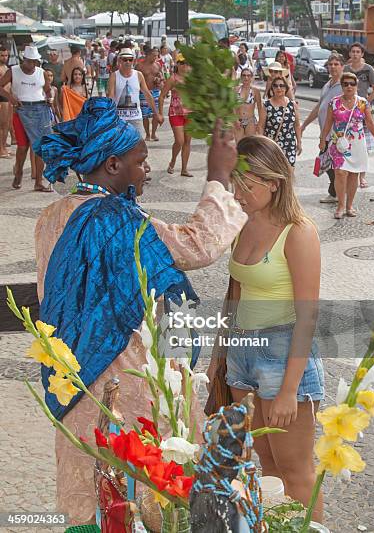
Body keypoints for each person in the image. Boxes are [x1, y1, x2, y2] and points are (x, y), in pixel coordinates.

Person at [34, 97, 247, 525]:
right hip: (123, 381)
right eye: (140, 161)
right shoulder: (115, 220)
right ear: (112, 166)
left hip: (72, 380)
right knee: (140, 494)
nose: (147, 169)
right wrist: (219, 176)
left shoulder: (50, 216)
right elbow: (196, 244)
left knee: (86, 489)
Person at [207, 135, 324, 522]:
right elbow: (234, 296)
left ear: (274, 182)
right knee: (266, 465)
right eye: (234, 182)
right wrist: (219, 359)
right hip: (243, 356)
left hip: (284, 356)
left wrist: (290, 389)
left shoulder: (299, 232)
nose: (237, 193)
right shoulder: (242, 224)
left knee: (298, 472)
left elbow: (308, 316)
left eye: (247, 183)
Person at [319, 72, 374, 219]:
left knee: (354, 175)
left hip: (357, 144)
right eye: (345, 84)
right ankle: (340, 205)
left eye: (352, 84)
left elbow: (370, 122)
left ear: (356, 85)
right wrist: (322, 139)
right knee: (340, 173)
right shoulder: (334, 102)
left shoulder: (362, 103)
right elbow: (328, 122)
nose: (349, 86)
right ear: (341, 86)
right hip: (339, 144)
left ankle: (349, 205)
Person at [0, 45, 53, 191]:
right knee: (22, 147)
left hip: (39, 109)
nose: (32, 64)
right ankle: (18, 173)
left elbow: (48, 90)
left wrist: (51, 98)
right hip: (21, 110)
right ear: (24, 60)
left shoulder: (41, 73)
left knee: (39, 147)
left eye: (34, 61)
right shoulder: (14, 71)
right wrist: (11, 97)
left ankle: (39, 182)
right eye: (29, 61)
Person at [301, 53, 344, 204]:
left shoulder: (345, 86)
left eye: (336, 64)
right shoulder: (327, 85)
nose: (332, 67)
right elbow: (319, 106)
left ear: (342, 66)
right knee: (326, 163)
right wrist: (304, 125)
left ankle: (337, 193)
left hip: (336, 135)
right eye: (330, 64)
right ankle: (335, 192)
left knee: (335, 165)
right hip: (325, 134)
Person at [344, 42, 374, 188]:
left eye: (358, 52)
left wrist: (365, 102)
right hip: (346, 109)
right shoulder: (346, 69)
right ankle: (348, 172)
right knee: (347, 142)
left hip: (362, 109)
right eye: (353, 51)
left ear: (362, 54)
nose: (355, 54)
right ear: (349, 54)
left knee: (363, 144)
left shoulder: (368, 69)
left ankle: (362, 177)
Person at [159, 53, 193, 176]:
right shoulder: (173, 79)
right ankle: (173, 161)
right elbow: (162, 96)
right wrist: (160, 113)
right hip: (176, 112)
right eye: (182, 63)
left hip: (190, 113)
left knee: (188, 141)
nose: (185, 66)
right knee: (179, 141)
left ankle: (184, 169)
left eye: (187, 63)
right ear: (177, 64)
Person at [108, 47, 152, 137]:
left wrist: (156, 113)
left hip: (136, 117)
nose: (128, 62)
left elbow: (147, 94)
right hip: (119, 118)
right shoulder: (114, 76)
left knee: (138, 145)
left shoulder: (138, 75)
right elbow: (111, 96)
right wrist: (109, 114)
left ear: (133, 61)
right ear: (120, 60)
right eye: (125, 59)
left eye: (130, 59)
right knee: (120, 146)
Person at [261, 75, 302, 166]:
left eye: (281, 85)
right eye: (275, 86)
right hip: (272, 144)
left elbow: (297, 125)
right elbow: (261, 126)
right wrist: (261, 144)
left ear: (286, 88)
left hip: (289, 144)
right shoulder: (267, 105)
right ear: (272, 88)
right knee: (274, 172)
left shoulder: (292, 105)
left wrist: (299, 142)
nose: (278, 88)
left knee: (289, 170)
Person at [137, 47, 163, 141]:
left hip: (155, 91)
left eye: (157, 55)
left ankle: (153, 134)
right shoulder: (140, 66)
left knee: (156, 113)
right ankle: (147, 134)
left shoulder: (157, 65)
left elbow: (161, 75)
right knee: (145, 115)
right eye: (154, 55)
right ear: (148, 55)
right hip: (144, 92)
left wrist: (159, 79)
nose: (156, 57)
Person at [235, 68, 265, 141]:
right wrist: (235, 120)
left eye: (248, 75)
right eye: (244, 75)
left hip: (250, 121)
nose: (246, 77)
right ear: (241, 77)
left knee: (250, 144)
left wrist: (260, 124)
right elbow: (232, 106)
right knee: (238, 145)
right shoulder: (236, 90)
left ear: (251, 77)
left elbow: (260, 108)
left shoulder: (255, 91)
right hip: (238, 120)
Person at [0, 46, 10, 158]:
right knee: (2, 125)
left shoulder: (6, 67)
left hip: (7, 97)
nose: (4, 58)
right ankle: (1, 149)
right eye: (2, 55)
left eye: (6, 55)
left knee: (6, 124)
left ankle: (3, 146)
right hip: (1, 97)